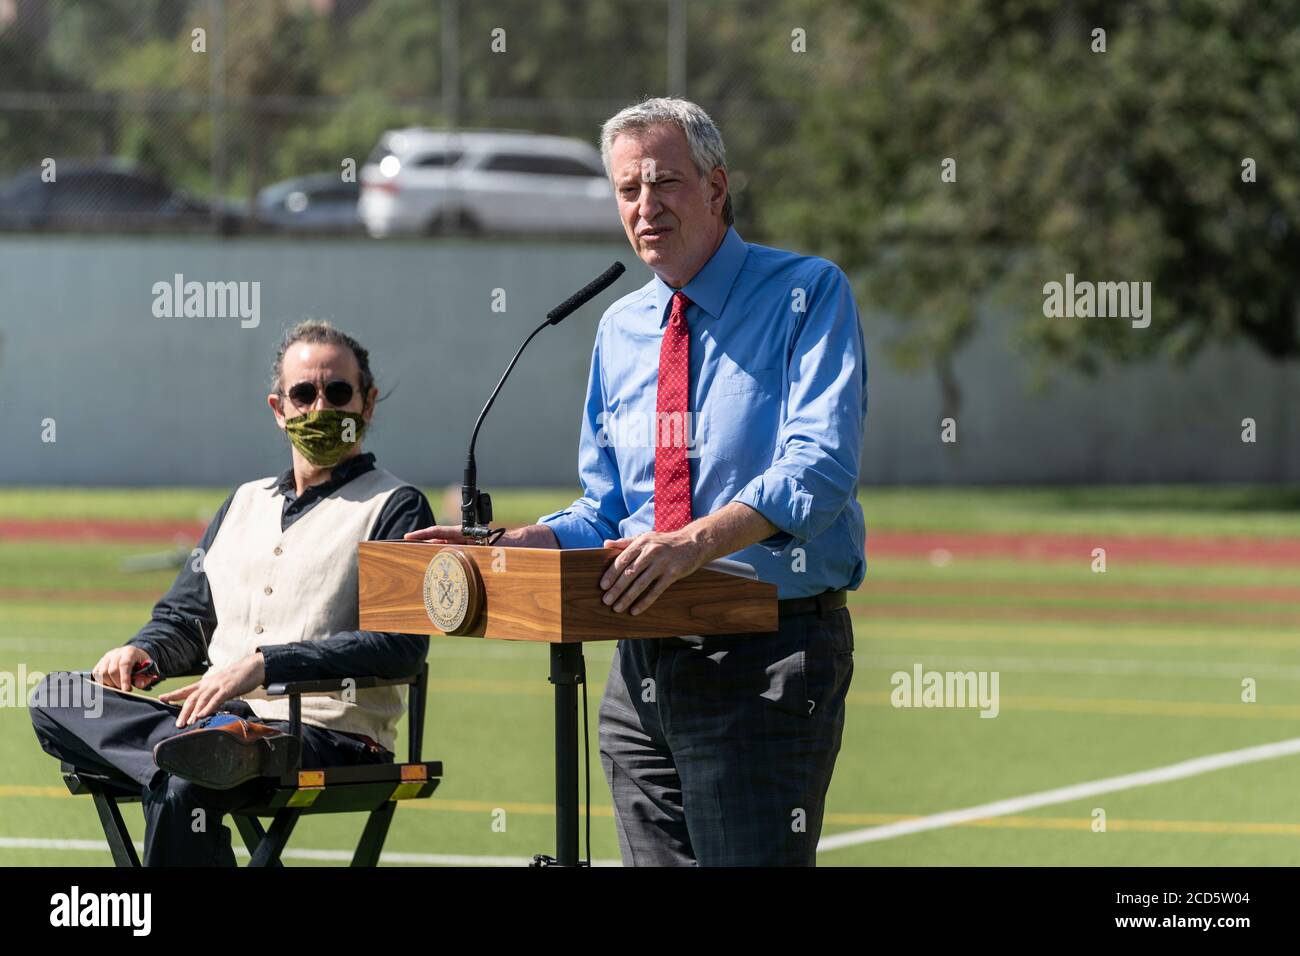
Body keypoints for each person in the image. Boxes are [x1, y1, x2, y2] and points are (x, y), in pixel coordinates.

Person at [405, 97, 867, 866]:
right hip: (640, 661)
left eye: (665, 184)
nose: (644, 208)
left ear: (717, 190)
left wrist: (693, 544)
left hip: (764, 648)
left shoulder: (808, 294)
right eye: (627, 190)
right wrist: (517, 542)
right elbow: (609, 509)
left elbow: (817, 470)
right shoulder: (620, 328)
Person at [29, 320, 434, 866]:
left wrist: (265, 664)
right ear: (278, 408)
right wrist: (143, 652)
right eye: (303, 394)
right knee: (57, 696)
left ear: (368, 403)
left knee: (181, 784)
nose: (321, 408)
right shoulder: (243, 502)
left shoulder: (398, 507)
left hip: (326, 733)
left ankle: (197, 752)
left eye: (338, 392)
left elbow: (400, 645)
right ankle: (197, 751)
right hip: (212, 723)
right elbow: (187, 619)